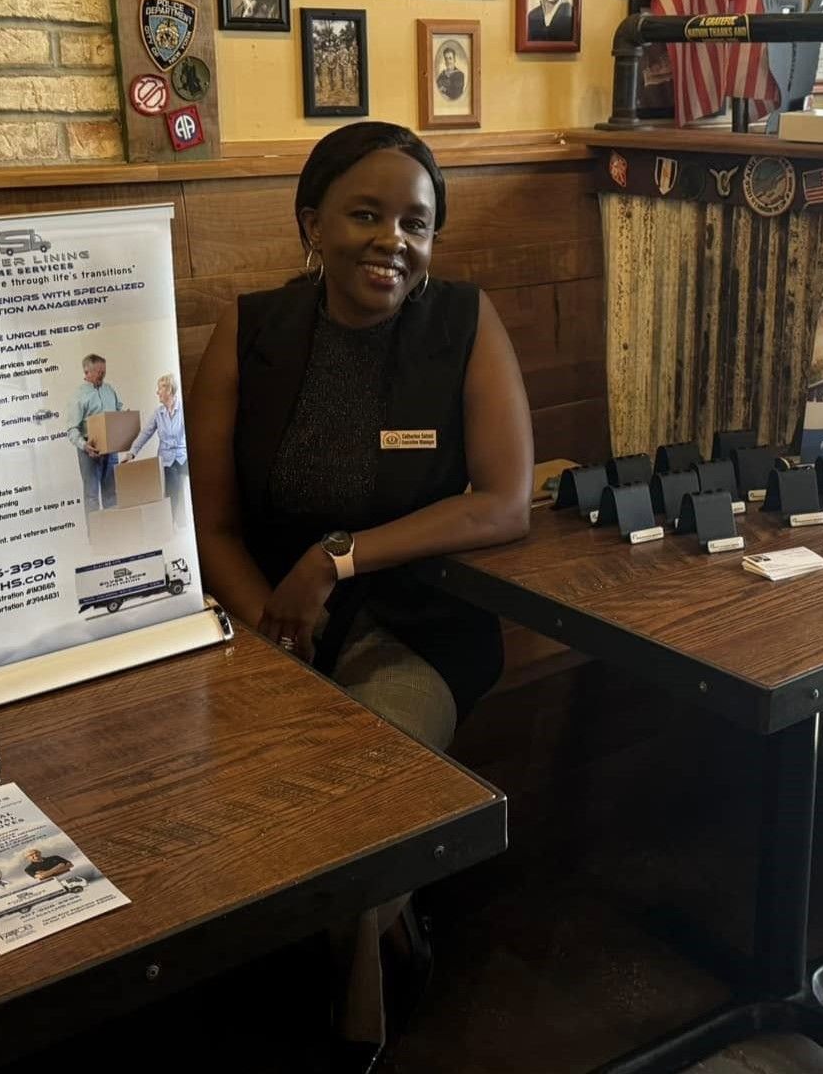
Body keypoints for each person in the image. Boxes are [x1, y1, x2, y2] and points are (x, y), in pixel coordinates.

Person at [187, 121, 532, 1072]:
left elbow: (503, 505)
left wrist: (336, 556)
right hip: (268, 625)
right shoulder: (251, 330)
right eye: (367, 214)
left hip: (421, 629)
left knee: (354, 802)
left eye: (416, 223)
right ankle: (390, 928)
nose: (394, 240)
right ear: (313, 224)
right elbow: (211, 525)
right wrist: (271, 632)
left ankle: (354, 1034)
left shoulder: (463, 322)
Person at [129, 373, 189, 527]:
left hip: (183, 455)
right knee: (173, 487)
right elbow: (145, 433)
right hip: (167, 459)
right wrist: (132, 452)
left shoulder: (182, 409)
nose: (157, 392)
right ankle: (170, 524)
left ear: (169, 390)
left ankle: (188, 521)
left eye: (160, 388)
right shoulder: (158, 413)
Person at [67, 354, 124, 511]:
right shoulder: (78, 396)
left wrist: (124, 420)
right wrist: (84, 446)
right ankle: (97, 535)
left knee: (112, 493)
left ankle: (114, 531)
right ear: (87, 372)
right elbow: (72, 429)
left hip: (111, 448)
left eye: (104, 371)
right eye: (99, 372)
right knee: (91, 495)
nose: (103, 375)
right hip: (89, 450)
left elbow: (119, 410)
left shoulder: (109, 389)